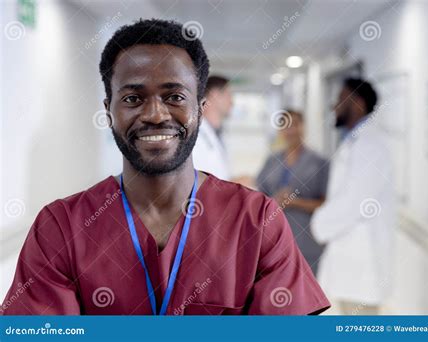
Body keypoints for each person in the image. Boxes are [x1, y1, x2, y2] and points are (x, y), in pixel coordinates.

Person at [1, 19, 329, 316]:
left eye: (174, 97)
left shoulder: (257, 221)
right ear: (108, 110)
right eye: (133, 98)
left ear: (200, 109)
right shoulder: (60, 228)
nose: (156, 114)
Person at [310, 78, 395, 315]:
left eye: (340, 99)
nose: (334, 106)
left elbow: (356, 201)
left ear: (357, 104)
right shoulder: (355, 140)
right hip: (352, 262)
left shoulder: (371, 144)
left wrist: (319, 225)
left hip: (363, 263)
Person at [256, 110, 329, 275]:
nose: (290, 130)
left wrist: (295, 202)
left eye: (295, 124)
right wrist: (274, 200)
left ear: (303, 127)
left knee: (305, 294)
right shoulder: (272, 160)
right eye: (285, 125)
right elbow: (260, 196)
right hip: (273, 240)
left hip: (307, 241)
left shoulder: (319, 163)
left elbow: (326, 203)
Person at [192, 75, 232, 180]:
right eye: (229, 95)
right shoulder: (195, 135)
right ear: (215, 95)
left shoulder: (217, 132)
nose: (232, 102)